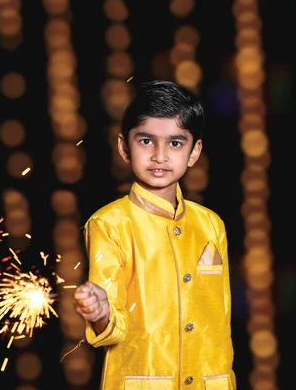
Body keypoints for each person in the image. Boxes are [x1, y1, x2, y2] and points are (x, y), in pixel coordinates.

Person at [74, 80, 236, 389]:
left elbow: (222, 324)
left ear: (194, 151)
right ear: (124, 147)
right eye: (146, 141)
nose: (160, 156)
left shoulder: (211, 225)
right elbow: (114, 324)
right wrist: (101, 312)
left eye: (175, 143)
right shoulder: (109, 223)